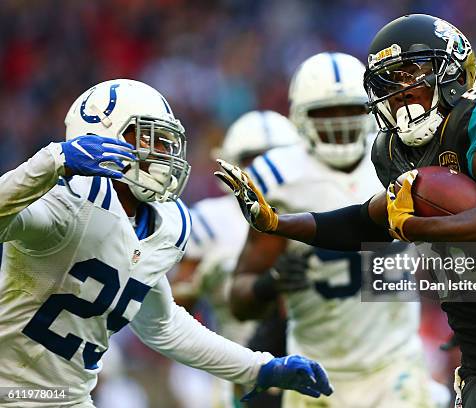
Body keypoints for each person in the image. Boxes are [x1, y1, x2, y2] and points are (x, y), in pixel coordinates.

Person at [215, 14, 476, 408]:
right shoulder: (391, 151)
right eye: (390, 82)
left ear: (452, 72)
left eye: (411, 74)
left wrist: (417, 225)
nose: (401, 92)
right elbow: (366, 221)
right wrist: (279, 223)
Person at [0, 79, 332, 407]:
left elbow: (164, 325)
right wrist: (53, 160)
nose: (162, 152)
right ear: (101, 137)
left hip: (69, 397)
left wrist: (260, 368)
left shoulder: (167, 222)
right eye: (148, 138)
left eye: (166, 141)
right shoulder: (65, 201)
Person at [229, 52, 444, 408]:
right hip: (314, 371)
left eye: (350, 109)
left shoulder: (401, 157)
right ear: (300, 117)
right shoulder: (278, 179)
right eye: (325, 112)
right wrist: (270, 284)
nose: (340, 122)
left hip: (397, 366)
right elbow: (240, 299)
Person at [170, 110, 300, 408]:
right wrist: (198, 284)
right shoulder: (208, 220)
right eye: (254, 159)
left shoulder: (314, 204)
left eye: (275, 156)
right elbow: (172, 311)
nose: (265, 167)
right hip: (242, 369)